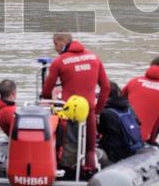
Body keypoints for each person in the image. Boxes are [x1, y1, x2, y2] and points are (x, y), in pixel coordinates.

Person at [41, 33, 109, 172]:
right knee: (90, 149)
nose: (55, 48)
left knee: (65, 147)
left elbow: (46, 92)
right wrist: (97, 111)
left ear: (62, 42)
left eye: (55, 44)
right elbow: (106, 88)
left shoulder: (59, 61)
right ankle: (89, 174)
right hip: (88, 111)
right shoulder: (94, 57)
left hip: (68, 113)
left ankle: (63, 172)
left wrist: (54, 103)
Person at [123, 56, 159, 145]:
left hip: (117, 132)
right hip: (138, 138)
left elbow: (116, 101)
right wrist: (152, 141)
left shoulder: (134, 81)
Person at [98, 82, 144, 164]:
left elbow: (97, 131)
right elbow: (138, 123)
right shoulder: (129, 108)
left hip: (115, 154)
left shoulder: (105, 113)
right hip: (131, 150)